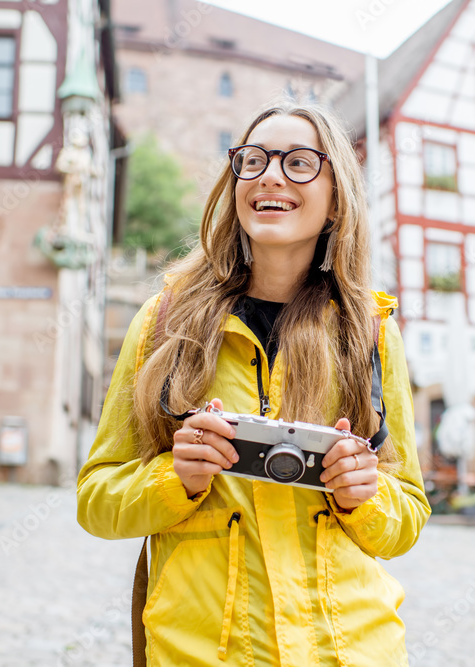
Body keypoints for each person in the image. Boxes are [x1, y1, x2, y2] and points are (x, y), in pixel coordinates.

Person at [76, 101, 431, 666]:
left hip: (351, 651)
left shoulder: (370, 334)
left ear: (336, 196)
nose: (270, 175)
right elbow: (96, 501)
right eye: (255, 160)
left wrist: (362, 494)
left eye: (298, 163)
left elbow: (407, 515)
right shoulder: (164, 324)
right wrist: (176, 478)